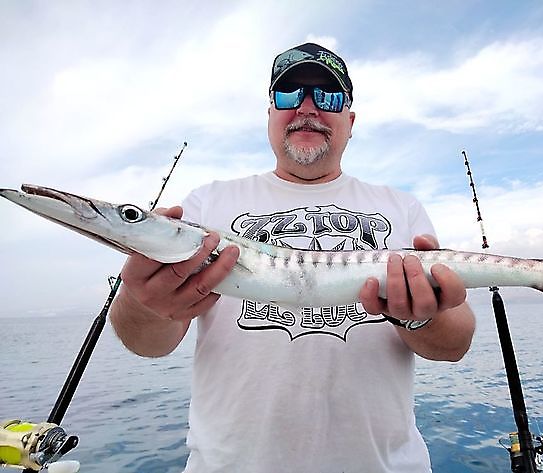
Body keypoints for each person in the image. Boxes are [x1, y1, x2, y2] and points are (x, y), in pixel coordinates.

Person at [110, 42, 476, 473]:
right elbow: (146, 344)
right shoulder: (206, 205)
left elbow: (455, 344)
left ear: (350, 121)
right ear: (270, 115)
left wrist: (420, 316)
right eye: (289, 95)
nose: (307, 108)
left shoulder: (402, 208)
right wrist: (142, 301)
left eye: (328, 96)